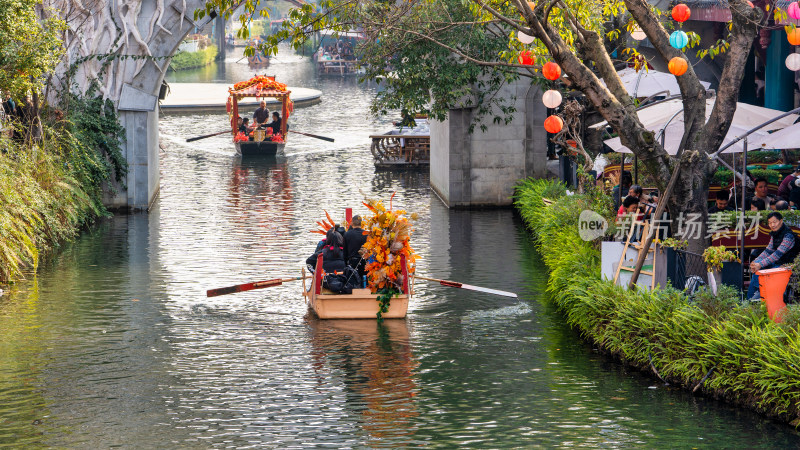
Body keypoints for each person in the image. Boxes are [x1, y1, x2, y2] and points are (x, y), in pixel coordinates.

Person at [747, 212, 800, 300]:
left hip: (788, 265)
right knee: (757, 270)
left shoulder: (788, 236)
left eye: (774, 222)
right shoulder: (774, 234)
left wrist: (760, 264)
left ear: (781, 221)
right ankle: (751, 299)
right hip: (778, 263)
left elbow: (777, 255)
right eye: (770, 223)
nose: (772, 225)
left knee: (764, 272)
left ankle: (759, 295)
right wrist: (756, 262)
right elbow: (768, 251)